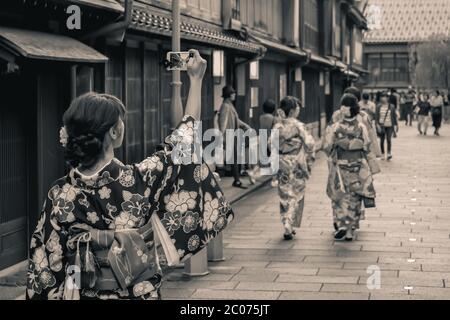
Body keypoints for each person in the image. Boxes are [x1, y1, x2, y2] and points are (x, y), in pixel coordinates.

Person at [27, 50, 234, 300]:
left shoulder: (59, 194)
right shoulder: (137, 180)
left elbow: (44, 267)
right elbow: (184, 143)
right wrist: (197, 80)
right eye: (121, 121)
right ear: (114, 133)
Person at [324, 94, 376, 241]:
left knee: (340, 197)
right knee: (354, 197)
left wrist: (340, 144)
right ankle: (350, 230)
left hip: (340, 166)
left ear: (343, 109)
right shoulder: (361, 127)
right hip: (357, 166)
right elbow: (366, 145)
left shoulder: (335, 128)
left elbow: (327, 147)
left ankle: (342, 225)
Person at [273, 96, 315, 240]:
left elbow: (270, 144)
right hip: (296, 161)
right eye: (297, 108)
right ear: (292, 110)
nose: (298, 110)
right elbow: (310, 144)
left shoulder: (277, 126)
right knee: (296, 194)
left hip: (281, 161)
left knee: (285, 193)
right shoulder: (298, 125)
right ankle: (289, 223)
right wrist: (308, 160)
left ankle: (286, 222)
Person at [218, 85, 252, 189]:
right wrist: (222, 138)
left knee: (235, 159)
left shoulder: (229, 105)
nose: (235, 95)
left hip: (232, 135)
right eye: (233, 93)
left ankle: (237, 179)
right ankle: (236, 180)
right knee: (234, 159)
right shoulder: (225, 106)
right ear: (229, 95)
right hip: (229, 136)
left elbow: (236, 120)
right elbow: (222, 123)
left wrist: (245, 126)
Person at [375, 92, 398, 161]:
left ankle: (389, 153)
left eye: (384, 97)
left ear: (387, 98)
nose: (383, 98)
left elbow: (394, 116)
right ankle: (382, 153)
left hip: (389, 125)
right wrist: (377, 125)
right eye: (382, 97)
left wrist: (396, 125)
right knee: (382, 140)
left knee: (389, 139)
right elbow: (376, 116)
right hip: (381, 125)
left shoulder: (392, 106)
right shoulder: (378, 106)